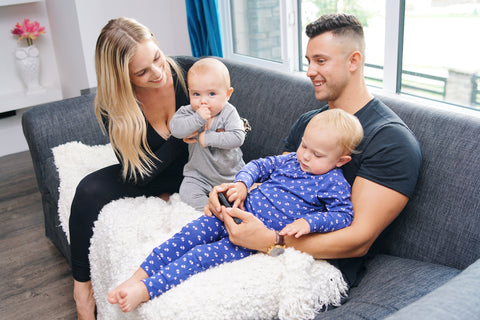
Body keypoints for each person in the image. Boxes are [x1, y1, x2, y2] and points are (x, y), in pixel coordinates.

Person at [205, 12, 422, 295]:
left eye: (321, 61)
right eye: (309, 61)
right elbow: (277, 186)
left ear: (353, 61)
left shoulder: (391, 141)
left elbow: (358, 240)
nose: (309, 71)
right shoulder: (310, 122)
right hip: (260, 239)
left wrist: (273, 240)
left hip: (316, 267)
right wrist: (233, 194)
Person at [107, 109, 364, 312]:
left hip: (249, 240)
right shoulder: (290, 160)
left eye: (317, 154)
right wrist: (242, 184)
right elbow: (258, 166)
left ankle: (147, 289)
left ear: (341, 160)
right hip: (232, 212)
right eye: (304, 146)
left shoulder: (334, 184)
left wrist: (310, 222)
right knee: (184, 237)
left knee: (200, 256)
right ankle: (136, 277)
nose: (305, 156)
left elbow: (343, 216)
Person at [69, 17, 193, 320]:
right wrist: (181, 139)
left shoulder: (187, 74)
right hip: (149, 176)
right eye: (142, 72)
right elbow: (138, 174)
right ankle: (82, 288)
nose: (158, 72)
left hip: (196, 171)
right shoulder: (115, 106)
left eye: (156, 58)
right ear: (122, 77)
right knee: (87, 189)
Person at [169, 57, 246, 211]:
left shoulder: (228, 112)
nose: (203, 101)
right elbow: (175, 129)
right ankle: (209, 209)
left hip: (230, 176)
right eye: (196, 94)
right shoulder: (189, 112)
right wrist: (197, 119)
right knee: (187, 192)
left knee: (243, 195)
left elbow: (238, 137)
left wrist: (209, 138)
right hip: (199, 176)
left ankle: (226, 208)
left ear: (227, 94)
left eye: (211, 94)